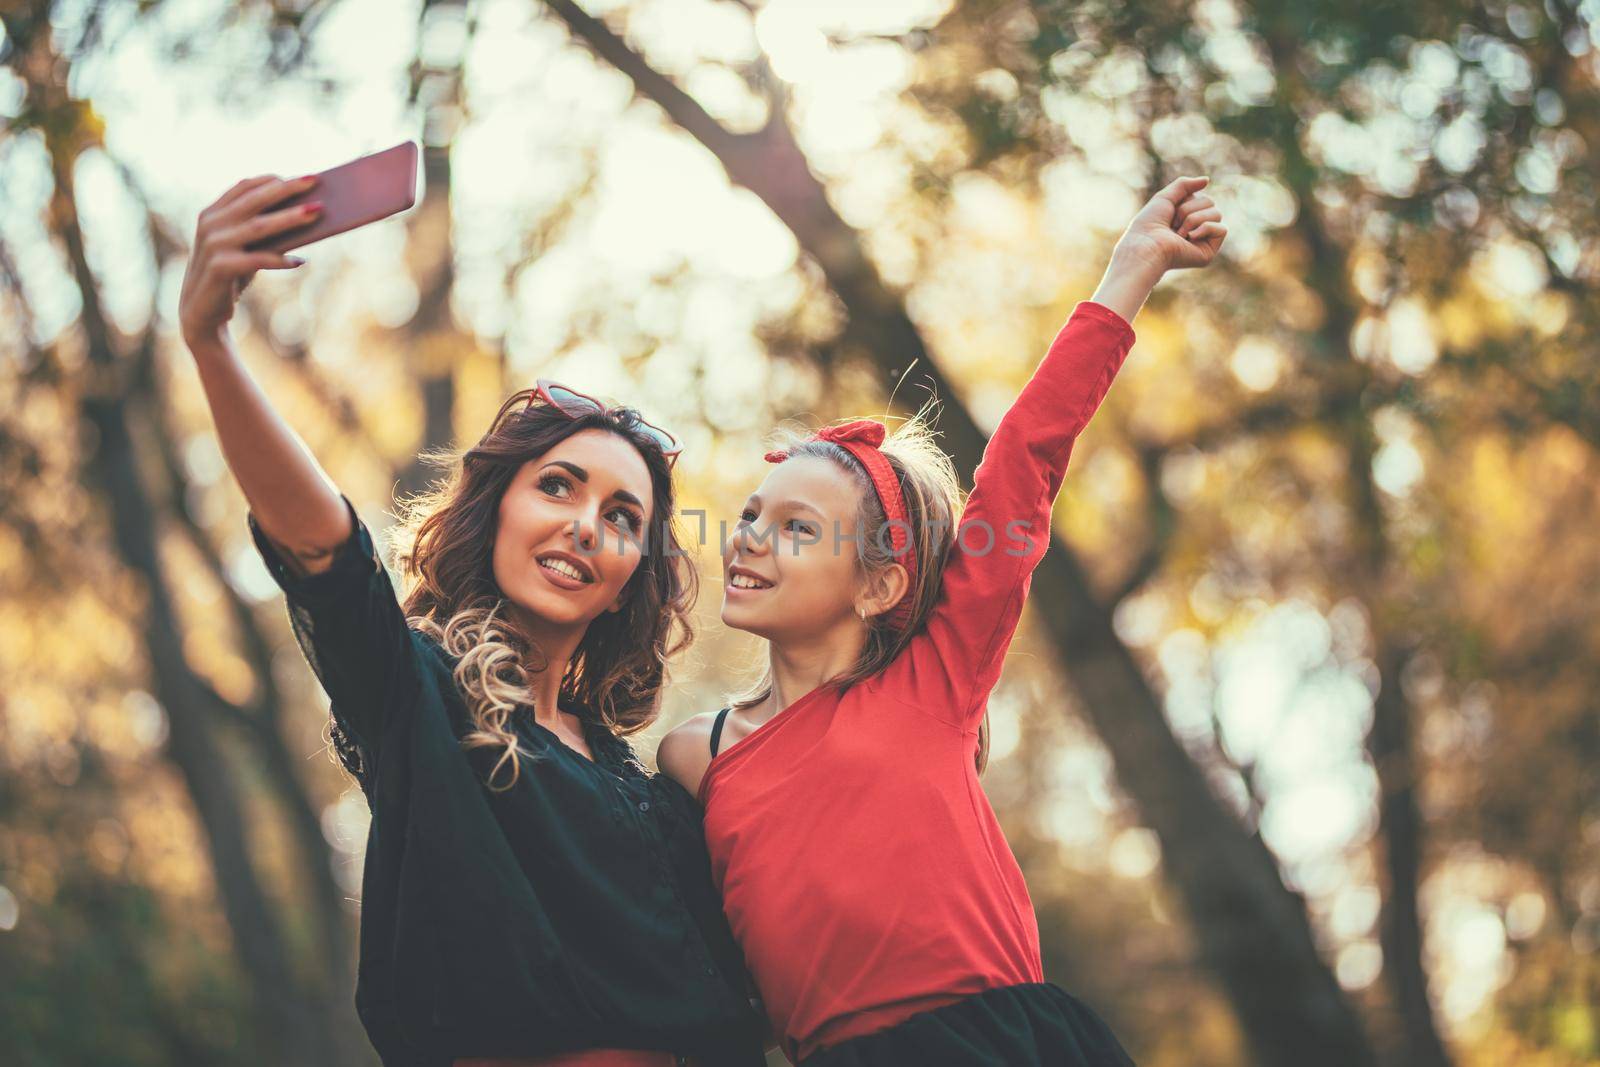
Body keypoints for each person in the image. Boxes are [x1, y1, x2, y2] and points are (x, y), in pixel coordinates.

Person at [177, 173, 766, 1067]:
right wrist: (212, 344)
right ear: (496, 511)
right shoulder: (418, 694)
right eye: (558, 486)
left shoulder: (647, 791)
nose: (583, 523)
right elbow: (326, 555)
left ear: (627, 582)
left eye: (622, 515)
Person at [657, 176, 1227, 1066]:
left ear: (880, 586)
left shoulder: (935, 682)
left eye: (798, 528)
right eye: (754, 515)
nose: (753, 538)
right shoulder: (697, 753)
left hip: (993, 1043)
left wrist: (1133, 267)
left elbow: (1022, 464)